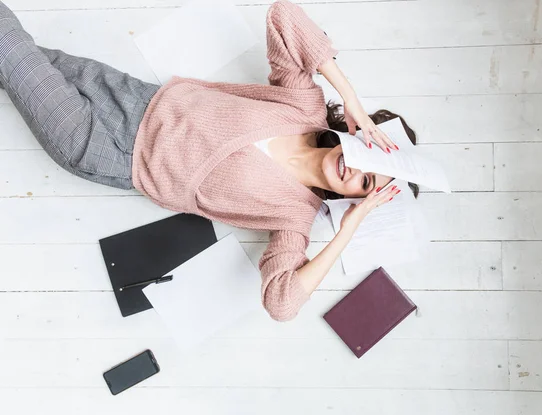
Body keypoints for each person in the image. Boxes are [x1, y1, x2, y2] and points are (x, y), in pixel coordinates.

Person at [0, 0, 418, 321]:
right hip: (128, 93)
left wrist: (349, 229)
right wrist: (349, 95)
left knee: (7, 44)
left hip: (107, 149)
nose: (355, 171)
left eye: (365, 184)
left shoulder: (294, 217)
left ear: (352, 198)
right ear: (362, 136)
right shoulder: (302, 103)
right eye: (367, 159)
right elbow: (283, 15)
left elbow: (282, 304)